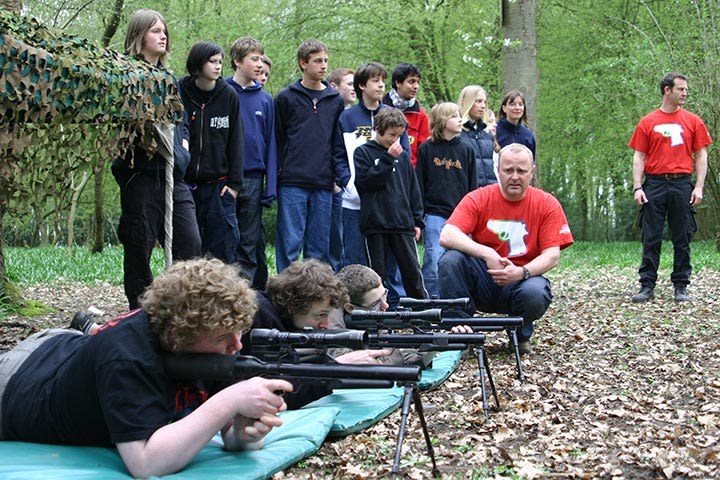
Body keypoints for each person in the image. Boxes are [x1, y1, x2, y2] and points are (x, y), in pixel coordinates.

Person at [0, 258, 292, 479]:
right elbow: (145, 463)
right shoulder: (127, 357)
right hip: (16, 381)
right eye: (222, 338)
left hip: (64, 350)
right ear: (178, 336)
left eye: (239, 332)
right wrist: (230, 401)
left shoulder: (207, 340)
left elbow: (231, 436)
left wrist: (243, 431)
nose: (237, 346)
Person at [438, 143, 574, 354]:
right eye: (508, 170)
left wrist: (521, 272)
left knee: (536, 292)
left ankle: (520, 336)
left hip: (522, 280)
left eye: (521, 171)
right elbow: (447, 234)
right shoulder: (478, 197)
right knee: (450, 260)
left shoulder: (547, 203)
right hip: (483, 277)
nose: (515, 177)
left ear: (532, 172)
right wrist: (487, 253)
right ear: (498, 170)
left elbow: (552, 255)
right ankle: (460, 333)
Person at [112, 9, 200, 310]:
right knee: (139, 246)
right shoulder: (123, 75)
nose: (163, 36)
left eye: (164, 31)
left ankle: (184, 309)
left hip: (174, 177)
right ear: (139, 35)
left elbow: (181, 124)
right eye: (155, 31)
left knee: (190, 242)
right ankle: (139, 313)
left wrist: (181, 153)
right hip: (140, 176)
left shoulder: (169, 79)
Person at [243, 259, 392, 408]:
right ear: (295, 306)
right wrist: (339, 366)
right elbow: (280, 394)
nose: (325, 325)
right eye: (320, 315)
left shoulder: (275, 317)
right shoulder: (260, 317)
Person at [629, 72, 712, 303]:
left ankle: (681, 285)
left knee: (682, 236)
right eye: (681, 89)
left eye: (686, 89)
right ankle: (647, 285)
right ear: (667, 90)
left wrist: (699, 187)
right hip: (654, 183)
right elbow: (639, 156)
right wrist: (637, 187)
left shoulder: (693, 121)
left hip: (682, 183)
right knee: (651, 237)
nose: (685, 93)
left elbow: (701, 155)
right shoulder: (648, 122)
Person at [274, 39, 347, 272]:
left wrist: (337, 178)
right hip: (292, 181)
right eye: (317, 61)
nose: (324, 65)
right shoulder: (286, 97)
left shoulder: (335, 100)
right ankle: (285, 290)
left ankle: (315, 291)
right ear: (303, 63)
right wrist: (277, 173)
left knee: (318, 248)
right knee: (289, 244)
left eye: (325, 60)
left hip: (323, 183)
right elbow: (277, 138)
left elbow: (338, 143)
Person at [332, 62, 411, 269]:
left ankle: (391, 292)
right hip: (355, 203)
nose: (381, 85)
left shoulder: (394, 115)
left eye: (383, 81)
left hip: (389, 204)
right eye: (375, 81)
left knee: (390, 264)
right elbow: (338, 156)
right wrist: (348, 183)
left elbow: (405, 157)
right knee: (355, 260)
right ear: (361, 86)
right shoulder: (346, 117)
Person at [178, 41, 244, 264]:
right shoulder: (180, 91)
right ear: (198, 64)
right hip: (187, 185)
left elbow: (236, 141)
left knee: (223, 251)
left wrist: (234, 186)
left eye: (220, 62)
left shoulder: (229, 95)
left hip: (219, 186)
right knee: (188, 249)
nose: (218, 66)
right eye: (212, 62)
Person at [354, 107, 427, 300]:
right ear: (378, 129)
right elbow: (366, 183)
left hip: (402, 224)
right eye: (392, 135)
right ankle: (378, 310)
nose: (395, 140)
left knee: (412, 272)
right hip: (376, 224)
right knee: (376, 275)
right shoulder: (363, 153)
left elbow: (413, 190)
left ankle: (422, 309)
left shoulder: (403, 157)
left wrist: (417, 221)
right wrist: (387, 159)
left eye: (399, 135)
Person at [226, 37, 277, 289]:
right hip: (225, 179)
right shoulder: (223, 92)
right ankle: (222, 292)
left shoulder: (265, 100)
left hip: (254, 179)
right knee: (226, 238)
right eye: (253, 59)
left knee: (249, 242)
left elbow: (271, 144)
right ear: (237, 61)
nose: (259, 64)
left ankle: (244, 296)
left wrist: (271, 186)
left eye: (261, 59)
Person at [415, 102, 477, 298]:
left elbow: (473, 187)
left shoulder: (467, 149)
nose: (460, 120)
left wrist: (474, 218)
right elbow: (419, 184)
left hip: (461, 217)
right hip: (434, 214)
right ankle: (431, 300)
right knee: (433, 257)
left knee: (459, 259)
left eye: (460, 115)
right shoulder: (426, 149)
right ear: (442, 121)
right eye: (454, 116)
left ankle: (457, 299)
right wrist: (418, 217)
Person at [326, 67, 356, 272]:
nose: (354, 88)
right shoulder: (330, 114)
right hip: (334, 185)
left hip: (353, 188)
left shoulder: (354, 117)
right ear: (334, 86)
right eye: (350, 84)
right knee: (334, 239)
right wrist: (334, 181)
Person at [382, 63, 431, 167]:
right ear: (398, 83)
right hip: (383, 168)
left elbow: (425, 151)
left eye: (417, 82)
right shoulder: (380, 109)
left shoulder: (420, 115)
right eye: (411, 82)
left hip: (410, 171)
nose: (416, 86)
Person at [458, 85, 498, 187]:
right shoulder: (457, 133)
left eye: (485, 102)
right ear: (466, 102)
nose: (483, 106)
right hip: (467, 190)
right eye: (478, 101)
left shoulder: (487, 133)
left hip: (489, 190)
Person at [496, 90, 536, 160]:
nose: (517, 108)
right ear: (504, 108)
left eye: (520, 104)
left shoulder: (528, 136)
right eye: (512, 104)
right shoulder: (495, 132)